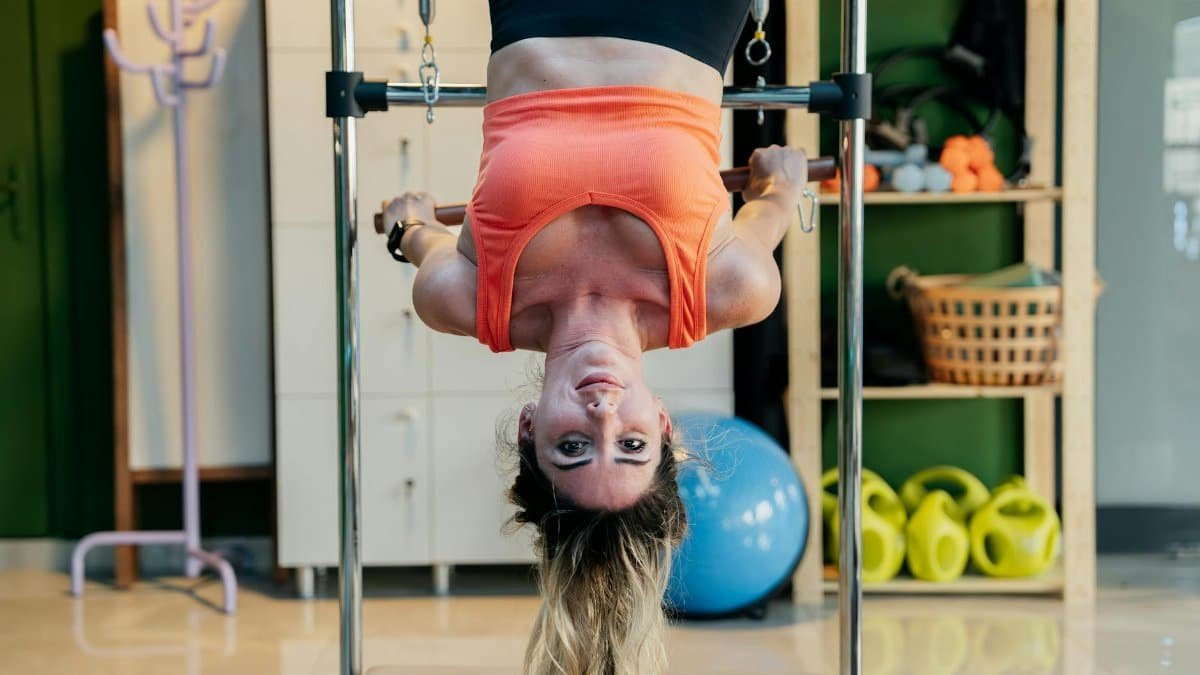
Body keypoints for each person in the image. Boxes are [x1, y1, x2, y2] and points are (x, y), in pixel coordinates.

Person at [379, 2, 810, 673]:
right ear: (665, 426)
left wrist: (406, 224)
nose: (604, 412)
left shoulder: (464, 297)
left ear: (529, 428)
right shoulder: (729, 287)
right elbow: (777, 194)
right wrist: (779, 182)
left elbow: (421, 239)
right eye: (632, 445)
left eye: (573, 445)